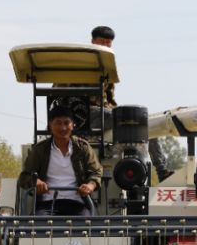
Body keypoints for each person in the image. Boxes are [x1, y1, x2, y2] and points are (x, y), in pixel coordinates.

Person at [88, 26, 173, 182]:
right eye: (102, 42)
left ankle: (162, 171)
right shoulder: (81, 62)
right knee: (139, 121)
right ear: (93, 41)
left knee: (146, 124)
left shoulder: (107, 66)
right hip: (86, 116)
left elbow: (109, 100)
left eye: (108, 42)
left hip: (103, 114)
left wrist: (121, 115)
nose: (105, 45)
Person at [19, 101, 103, 216]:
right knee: (38, 224)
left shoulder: (83, 147)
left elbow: (96, 172)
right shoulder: (39, 149)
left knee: (86, 224)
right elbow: (24, 177)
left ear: (73, 125)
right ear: (50, 125)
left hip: (78, 203)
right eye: (58, 123)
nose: (63, 128)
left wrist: (90, 185)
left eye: (66, 123)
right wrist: (36, 182)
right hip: (47, 204)